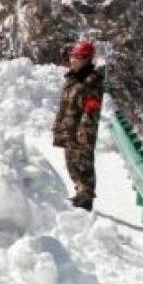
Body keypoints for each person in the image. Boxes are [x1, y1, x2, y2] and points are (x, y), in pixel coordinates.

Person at [53, 39, 104, 211]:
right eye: (72, 56)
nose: (73, 60)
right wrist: (59, 125)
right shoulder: (73, 79)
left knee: (83, 164)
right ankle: (80, 192)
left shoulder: (92, 82)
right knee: (72, 163)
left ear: (87, 59)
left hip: (81, 132)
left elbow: (91, 110)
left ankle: (86, 198)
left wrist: (84, 132)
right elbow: (65, 105)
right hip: (70, 129)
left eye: (78, 57)